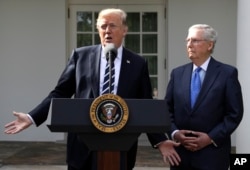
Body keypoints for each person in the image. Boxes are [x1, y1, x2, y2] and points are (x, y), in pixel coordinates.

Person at [4, 8, 181, 170]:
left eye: (113, 26)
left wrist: (160, 141)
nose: (107, 31)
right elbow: (60, 92)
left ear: (125, 30)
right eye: (103, 26)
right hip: (82, 144)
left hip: (121, 144)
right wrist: (32, 117)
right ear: (98, 30)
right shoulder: (81, 56)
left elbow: (146, 105)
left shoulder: (137, 63)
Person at [165, 24, 244, 170]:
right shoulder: (177, 74)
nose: (189, 45)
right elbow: (166, 109)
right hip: (181, 155)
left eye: (195, 40)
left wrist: (210, 138)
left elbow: (234, 114)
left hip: (212, 155)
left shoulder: (227, 73)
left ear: (210, 45)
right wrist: (175, 133)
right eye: (187, 40)